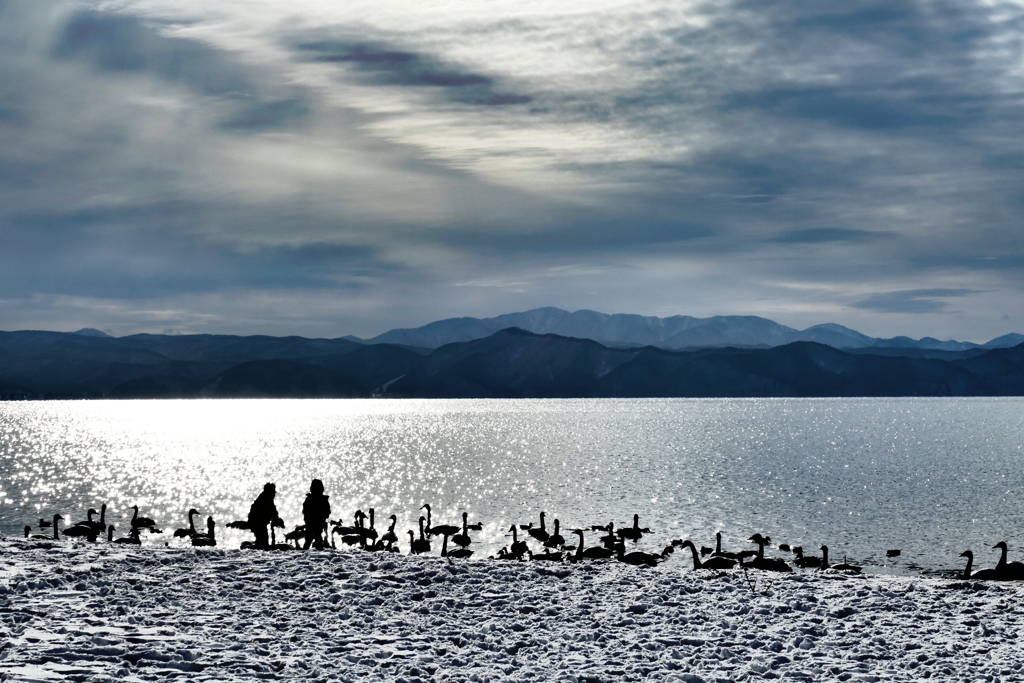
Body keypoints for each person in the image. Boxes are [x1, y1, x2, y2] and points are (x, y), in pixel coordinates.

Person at [248, 482, 283, 550]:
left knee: (262, 540)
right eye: (273, 492)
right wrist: (277, 520)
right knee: (263, 541)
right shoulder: (266, 500)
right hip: (258, 523)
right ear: (270, 492)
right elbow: (272, 511)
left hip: (259, 523)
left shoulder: (264, 498)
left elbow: (273, 511)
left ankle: (260, 551)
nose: (274, 495)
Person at [302, 479, 331, 550]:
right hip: (318, 522)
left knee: (309, 539)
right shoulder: (323, 500)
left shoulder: (309, 499)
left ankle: (304, 553)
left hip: (311, 522)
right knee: (318, 538)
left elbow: (304, 511)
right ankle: (319, 552)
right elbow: (327, 512)